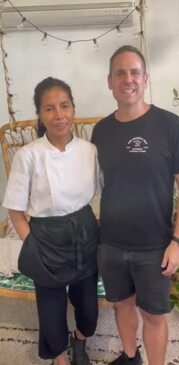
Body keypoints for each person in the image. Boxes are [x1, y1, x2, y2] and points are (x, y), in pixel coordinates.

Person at [91, 45, 179, 365]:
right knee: (122, 306)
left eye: (135, 72)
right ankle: (129, 356)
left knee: (153, 316)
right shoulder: (101, 131)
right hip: (111, 244)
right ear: (109, 81)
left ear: (145, 79)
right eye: (120, 73)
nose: (128, 79)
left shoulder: (169, 126)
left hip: (154, 245)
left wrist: (177, 242)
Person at [3, 77, 100, 365]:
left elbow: (100, 193)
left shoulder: (89, 150)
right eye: (49, 109)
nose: (59, 115)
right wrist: (31, 243)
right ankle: (60, 357)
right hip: (45, 235)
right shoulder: (28, 155)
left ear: (73, 109)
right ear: (40, 115)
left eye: (64, 106)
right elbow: (15, 210)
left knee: (88, 305)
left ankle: (80, 340)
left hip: (84, 230)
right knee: (51, 308)